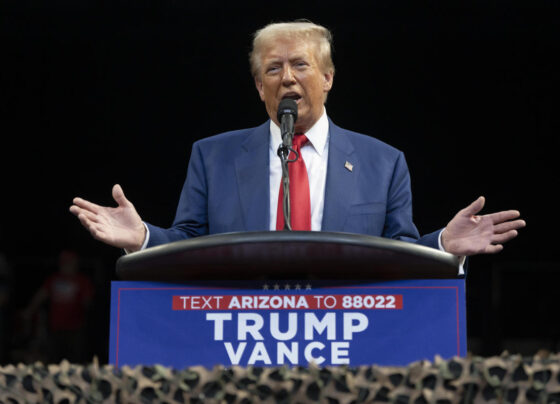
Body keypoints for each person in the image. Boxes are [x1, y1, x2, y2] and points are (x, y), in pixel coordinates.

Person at [69, 21, 525, 271]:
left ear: (327, 79)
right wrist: (144, 239)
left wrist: (444, 245)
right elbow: (190, 243)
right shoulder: (213, 156)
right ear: (258, 86)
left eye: (300, 65)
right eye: (273, 69)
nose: (287, 77)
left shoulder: (383, 163)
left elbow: (397, 253)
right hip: (240, 340)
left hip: (348, 338)